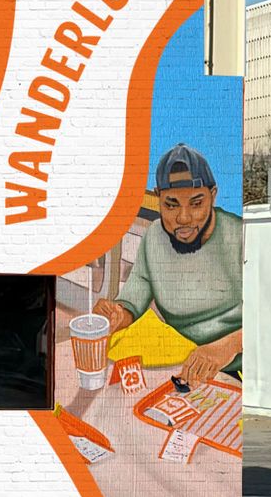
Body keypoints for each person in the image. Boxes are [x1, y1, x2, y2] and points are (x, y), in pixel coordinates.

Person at [93, 143, 242, 383]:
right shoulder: (154, 236)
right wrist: (118, 314)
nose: (183, 218)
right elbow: (133, 299)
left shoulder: (240, 237)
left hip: (240, 369)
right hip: (182, 365)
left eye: (196, 203)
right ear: (158, 197)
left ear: (213, 195)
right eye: (171, 205)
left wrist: (227, 346)